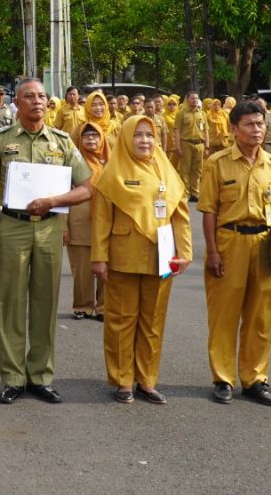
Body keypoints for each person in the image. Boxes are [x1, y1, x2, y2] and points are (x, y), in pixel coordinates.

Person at [0, 78, 93, 405]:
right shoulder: (0, 141)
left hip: (48, 228)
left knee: (46, 303)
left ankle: (41, 376)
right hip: (11, 227)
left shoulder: (62, 142)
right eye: (29, 96)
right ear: (17, 102)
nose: (37, 101)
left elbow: (87, 188)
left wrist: (53, 200)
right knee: (11, 304)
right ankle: (13, 378)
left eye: (42, 96)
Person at [91, 116, 192, 404]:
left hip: (161, 257)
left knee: (153, 321)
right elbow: (101, 220)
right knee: (122, 320)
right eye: (138, 135)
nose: (145, 140)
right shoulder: (112, 173)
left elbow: (180, 215)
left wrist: (184, 253)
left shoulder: (166, 169)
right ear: (125, 138)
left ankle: (147, 380)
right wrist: (99, 257)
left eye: (149, 134)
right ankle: (123, 380)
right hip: (123, 256)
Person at [198, 100, 271, 406]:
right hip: (229, 241)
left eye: (260, 124)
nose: (257, 129)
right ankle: (223, 378)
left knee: (260, 317)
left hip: (263, 243)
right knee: (224, 314)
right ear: (234, 129)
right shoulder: (217, 163)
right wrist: (212, 251)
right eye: (249, 124)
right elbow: (209, 211)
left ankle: (255, 379)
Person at [66, 121, 107, 321]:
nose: (91, 139)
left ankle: (104, 307)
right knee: (82, 269)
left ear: (102, 138)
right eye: (86, 136)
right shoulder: (73, 162)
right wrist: (63, 224)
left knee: (106, 267)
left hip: (106, 222)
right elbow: (62, 193)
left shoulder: (111, 162)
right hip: (79, 220)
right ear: (79, 140)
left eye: (95, 135)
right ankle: (83, 305)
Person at [175, 92, 208, 200]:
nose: (195, 100)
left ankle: (195, 192)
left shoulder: (202, 114)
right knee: (185, 169)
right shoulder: (181, 113)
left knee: (197, 170)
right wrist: (178, 146)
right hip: (186, 143)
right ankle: (186, 192)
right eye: (192, 98)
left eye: (196, 98)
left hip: (199, 144)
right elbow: (177, 131)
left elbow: (206, 131)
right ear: (187, 99)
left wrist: (207, 146)